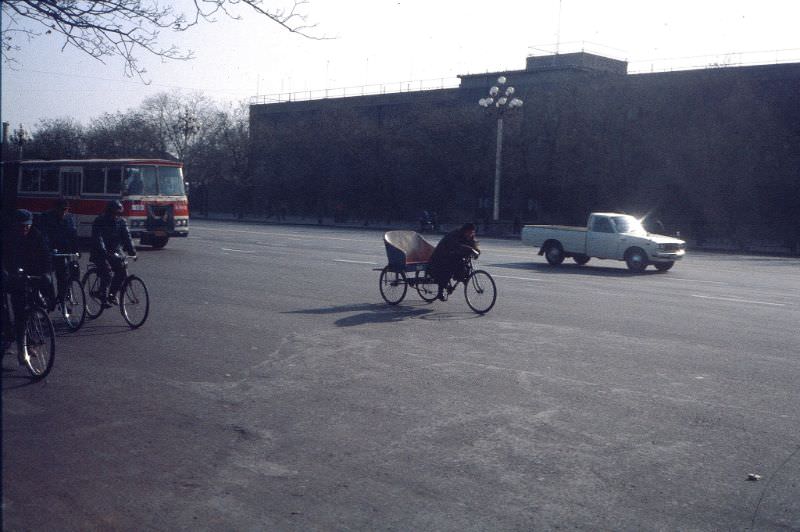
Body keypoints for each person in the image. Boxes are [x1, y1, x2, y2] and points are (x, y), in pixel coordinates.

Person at [2, 209, 54, 366]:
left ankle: (29, 342)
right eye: (21, 226)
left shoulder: (37, 235)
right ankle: (17, 347)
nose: (24, 229)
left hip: (29, 273)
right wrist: (4, 272)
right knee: (13, 312)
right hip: (11, 274)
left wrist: (46, 272)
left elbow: (46, 256)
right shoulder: (7, 237)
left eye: (27, 226)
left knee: (33, 305)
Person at [90, 200, 136, 306]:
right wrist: (104, 251)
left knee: (122, 271)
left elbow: (127, 237)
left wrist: (132, 251)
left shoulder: (121, 222)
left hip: (115, 252)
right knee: (107, 272)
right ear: (109, 212)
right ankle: (102, 294)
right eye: (115, 213)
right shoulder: (100, 220)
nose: (117, 215)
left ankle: (112, 294)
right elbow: (98, 237)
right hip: (100, 252)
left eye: (119, 213)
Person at [39, 199, 78, 310]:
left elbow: (73, 233)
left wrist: (76, 249)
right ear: (55, 209)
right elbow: (43, 234)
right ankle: (48, 300)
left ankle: (62, 300)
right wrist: (47, 249)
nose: (63, 212)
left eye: (66, 210)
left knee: (64, 276)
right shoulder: (46, 217)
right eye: (61, 210)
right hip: (49, 250)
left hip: (63, 250)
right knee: (47, 277)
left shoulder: (69, 218)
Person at [428, 222, 480, 301]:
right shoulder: (454, 235)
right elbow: (457, 246)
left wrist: (477, 252)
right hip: (442, 255)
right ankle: (440, 292)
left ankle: (461, 277)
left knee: (465, 266)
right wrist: (469, 249)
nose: (471, 234)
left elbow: (473, 245)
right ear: (465, 231)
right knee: (447, 270)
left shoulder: (469, 236)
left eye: (472, 232)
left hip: (454, 255)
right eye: (469, 232)